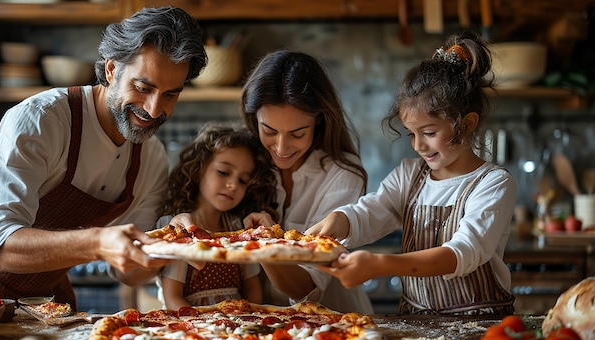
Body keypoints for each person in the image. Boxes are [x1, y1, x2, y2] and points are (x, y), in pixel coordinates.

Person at [0, 6, 207, 309]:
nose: (153, 109)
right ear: (111, 70)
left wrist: (170, 246)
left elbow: (129, 273)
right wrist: (97, 243)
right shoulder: (41, 121)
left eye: (170, 94)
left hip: (43, 307)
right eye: (143, 87)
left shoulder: (152, 156)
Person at [306, 31, 517, 315]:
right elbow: (373, 211)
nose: (418, 145)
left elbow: (464, 252)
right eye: (411, 134)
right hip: (416, 323)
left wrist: (382, 264)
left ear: (466, 125)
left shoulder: (492, 184)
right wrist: (342, 218)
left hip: (479, 328)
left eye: (429, 132)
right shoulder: (409, 175)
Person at [172, 51, 373, 314]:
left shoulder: (342, 175)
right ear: (253, 117)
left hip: (334, 322)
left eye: (297, 134)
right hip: (253, 326)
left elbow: (306, 290)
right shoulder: (246, 161)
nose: (281, 147)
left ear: (319, 122)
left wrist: (265, 243)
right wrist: (178, 225)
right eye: (269, 131)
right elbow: (212, 218)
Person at [157, 122, 278, 308]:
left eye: (243, 180)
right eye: (223, 172)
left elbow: (253, 290)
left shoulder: (239, 229)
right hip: (192, 326)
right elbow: (172, 298)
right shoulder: (178, 228)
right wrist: (203, 330)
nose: (233, 185)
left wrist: (247, 321)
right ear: (199, 169)